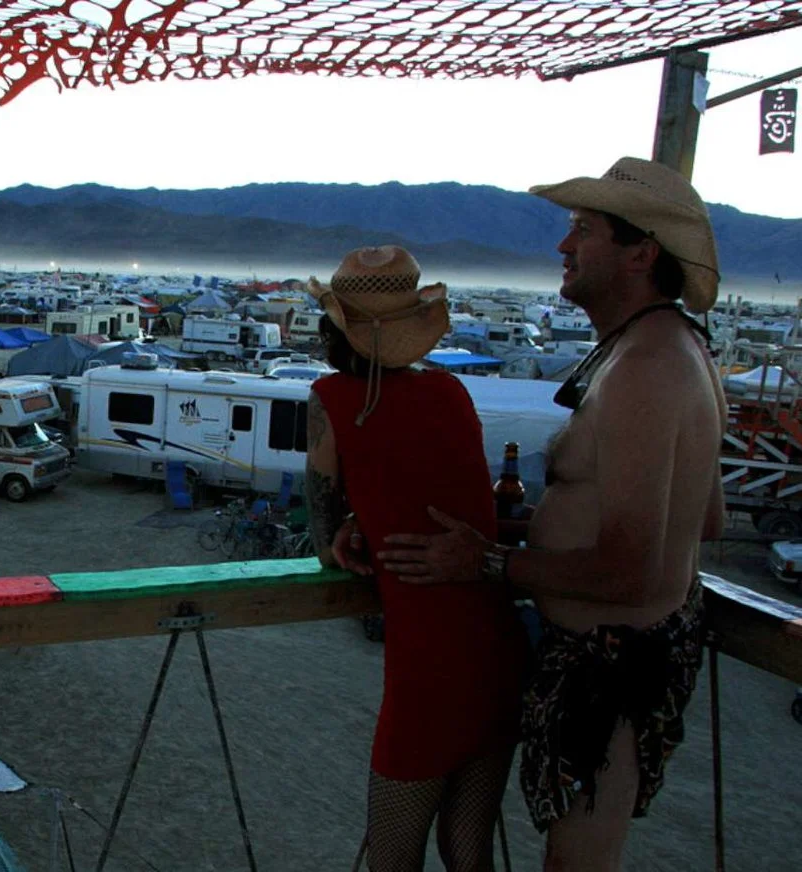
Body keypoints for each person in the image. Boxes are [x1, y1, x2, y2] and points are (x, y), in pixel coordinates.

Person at [370, 157, 726, 871]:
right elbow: (706, 519)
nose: (563, 246)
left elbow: (629, 572)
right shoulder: (669, 349)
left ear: (641, 252)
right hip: (618, 659)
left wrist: (487, 561)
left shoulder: (645, 369)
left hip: (610, 668)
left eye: (583, 230)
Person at [305, 246, 528, 872]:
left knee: (393, 858)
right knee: (469, 852)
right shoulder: (452, 390)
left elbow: (322, 540)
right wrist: (369, 516)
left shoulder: (330, 397)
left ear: (335, 332)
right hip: (499, 650)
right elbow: (437, 490)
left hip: (431, 667)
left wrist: (350, 524)